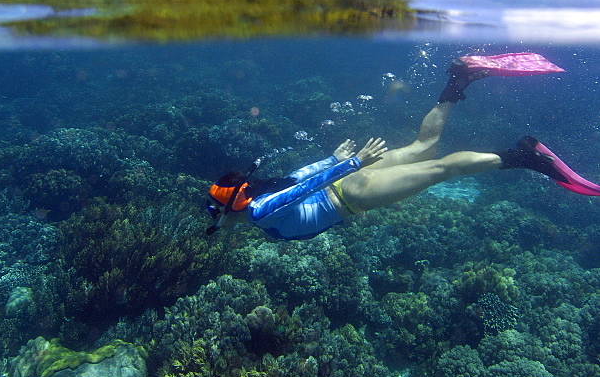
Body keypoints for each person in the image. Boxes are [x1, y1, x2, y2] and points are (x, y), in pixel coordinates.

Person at [206, 59, 600, 241]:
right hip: (345, 178)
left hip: (351, 192)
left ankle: (526, 158)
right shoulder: (258, 197)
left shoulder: (257, 212)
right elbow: (297, 179)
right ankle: (457, 80)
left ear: (231, 208)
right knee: (424, 146)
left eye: (217, 215)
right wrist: (336, 161)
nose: (218, 223)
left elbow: (301, 191)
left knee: (442, 170)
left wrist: (352, 163)